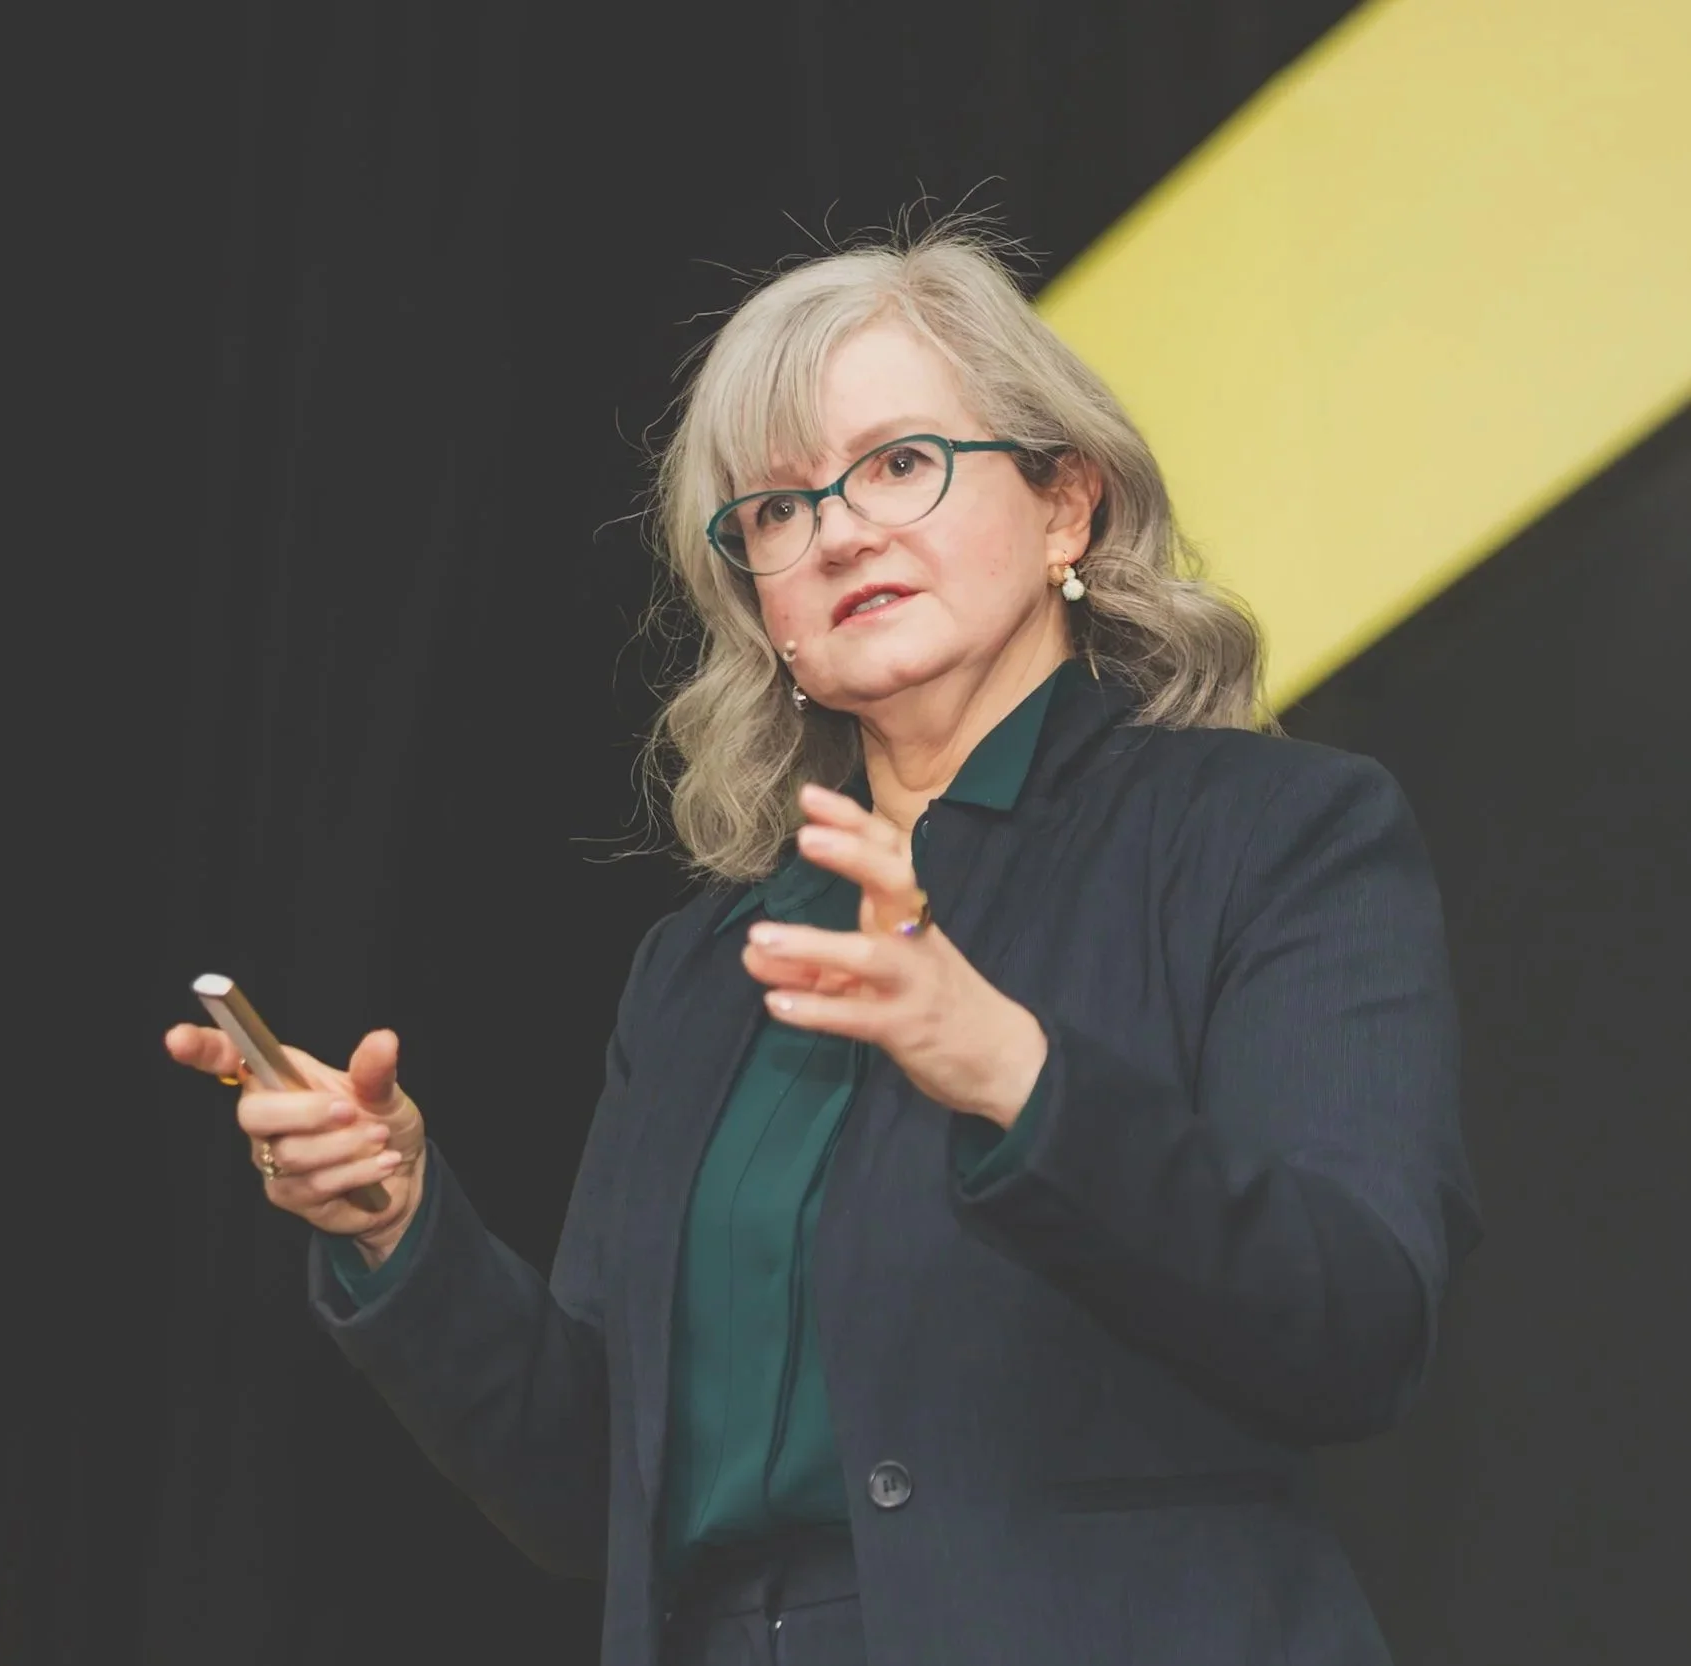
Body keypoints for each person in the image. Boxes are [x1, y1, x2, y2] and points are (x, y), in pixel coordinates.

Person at [164, 223, 1479, 1666]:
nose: (841, 528)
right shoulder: (705, 958)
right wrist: (401, 1226)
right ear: (764, 609)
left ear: (1067, 507)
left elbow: (1356, 1323)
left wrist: (1016, 1075)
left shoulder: (1273, 835)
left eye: (902, 462)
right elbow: (590, 1487)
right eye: (779, 508)